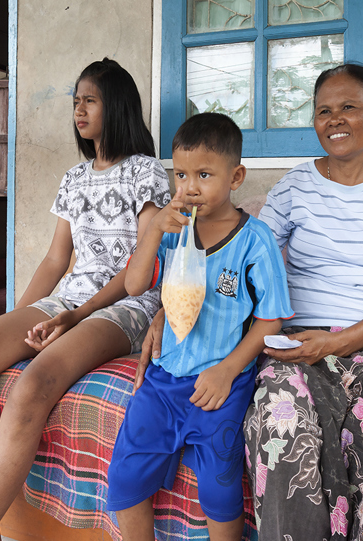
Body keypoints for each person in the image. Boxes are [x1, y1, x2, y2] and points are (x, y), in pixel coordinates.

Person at [141, 65, 363, 541]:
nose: (335, 119)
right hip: (295, 343)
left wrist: (338, 343)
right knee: (280, 429)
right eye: (324, 111)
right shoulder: (294, 187)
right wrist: (170, 309)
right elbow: (238, 259)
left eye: (349, 107)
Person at [0, 58, 171, 541]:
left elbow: (142, 267)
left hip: (125, 306)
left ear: (117, 106)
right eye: (75, 102)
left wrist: (77, 315)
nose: (78, 110)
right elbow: (54, 260)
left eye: (90, 101)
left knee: (33, 385)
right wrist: (15, 322)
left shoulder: (147, 172)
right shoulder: (73, 178)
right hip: (70, 298)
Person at [107, 112, 294, 541]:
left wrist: (227, 371)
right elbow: (134, 285)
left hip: (221, 383)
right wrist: (154, 230)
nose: (189, 187)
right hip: (162, 380)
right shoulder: (175, 231)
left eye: (204, 175)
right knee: (124, 478)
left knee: (219, 489)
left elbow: (271, 319)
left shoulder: (255, 240)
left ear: (235, 177)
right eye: (181, 175)